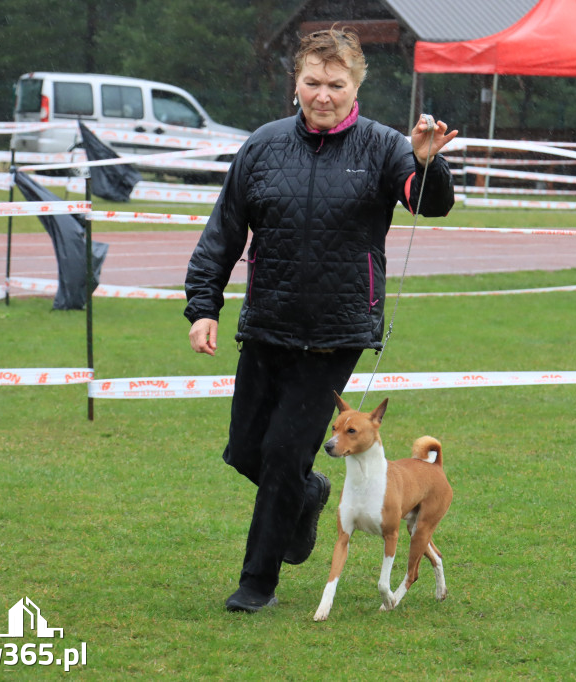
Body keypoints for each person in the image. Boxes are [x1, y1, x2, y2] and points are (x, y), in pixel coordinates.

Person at [184, 27, 458, 613]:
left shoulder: (385, 147)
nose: (323, 95)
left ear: (355, 85)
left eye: (336, 84)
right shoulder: (262, 146)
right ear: (297, 84)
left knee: (284, 453)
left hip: (336, 333)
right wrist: (204, 306)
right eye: (312, 82)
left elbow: (426, 200)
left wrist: (427, 163)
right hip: (267, 324)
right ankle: (308, 494)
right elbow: (223, 233)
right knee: (244, 451)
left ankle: (257, 583)